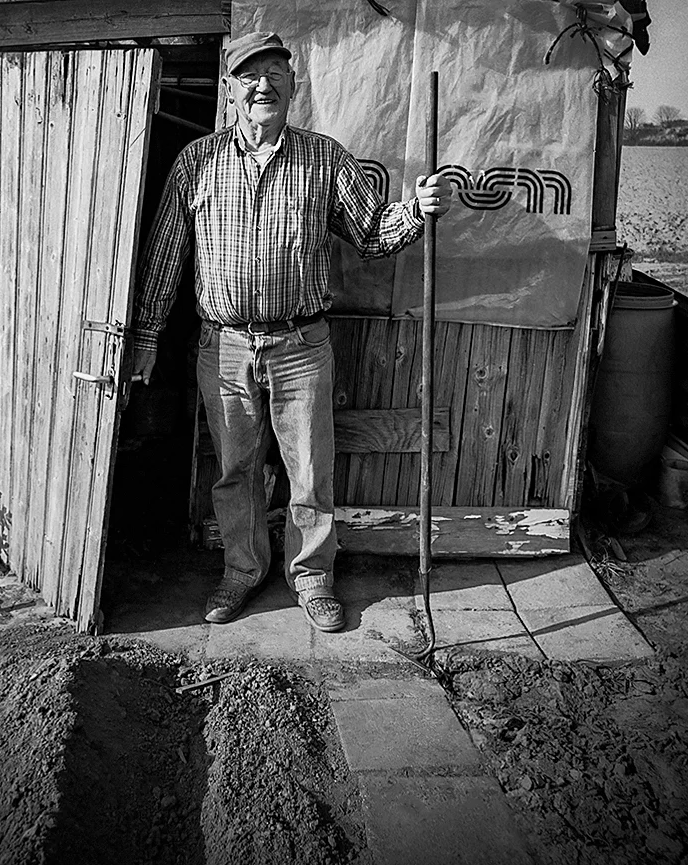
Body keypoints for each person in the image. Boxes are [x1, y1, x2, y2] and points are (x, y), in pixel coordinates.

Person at [124, 31, 450, 632]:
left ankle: (313, 576)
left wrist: (417, 211)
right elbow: (166, 256)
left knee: (309, 468)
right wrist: (144, 337)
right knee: (235, 470)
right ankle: (243, 570)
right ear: (228, 90)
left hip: (301, 345)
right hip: (223, 345)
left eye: (275, 72)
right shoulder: (196, 163)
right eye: (249, 75)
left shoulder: (325, 158)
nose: (262, 85)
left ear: (294, 86)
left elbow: (371, 234)